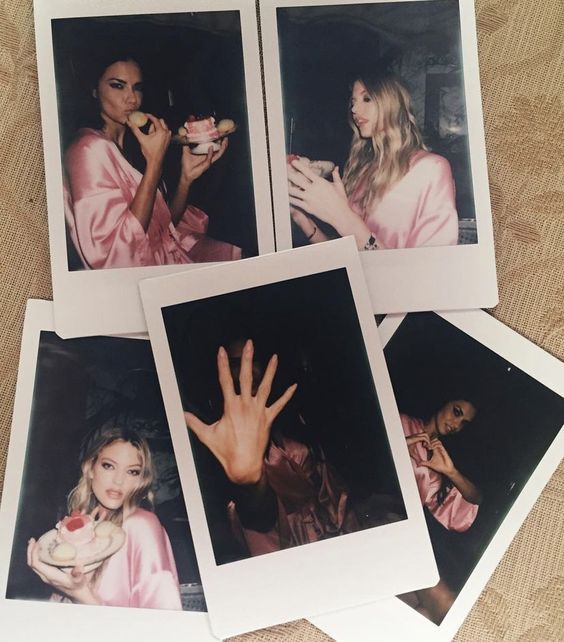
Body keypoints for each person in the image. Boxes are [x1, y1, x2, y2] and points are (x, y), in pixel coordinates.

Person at [184, 338, 359, 558]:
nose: (247, 371)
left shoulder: (295, 411)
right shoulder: (215, 433)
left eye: (254, 359)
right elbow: (257, 517)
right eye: (234, 363)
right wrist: (251, 483)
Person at [64, 54, 241, 269]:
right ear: (94, 89)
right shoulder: (88, 148)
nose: (132, 99)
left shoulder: (134, 143)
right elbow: (116, 256)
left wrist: (186, 179)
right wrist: (155, 163)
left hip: (168, 256)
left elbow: (164, 229)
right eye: (118, 86)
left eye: (137, 88)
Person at [288, 73, 459, 250]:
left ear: (392, 103)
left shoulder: (430, 168)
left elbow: (427, 270)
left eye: (366, 99)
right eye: (353, 101)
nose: (354, 109)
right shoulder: (362, 169)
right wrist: (301, 218)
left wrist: (342, 217)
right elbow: (349, 256)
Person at [27, 423, 182, 610]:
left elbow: (164, 625)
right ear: (91, 468)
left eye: (132, 471)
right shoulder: (87, 526)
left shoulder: (141, 525)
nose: (118, 480)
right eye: (109, 466)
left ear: (141, 480)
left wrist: (81, 595)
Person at [399, 398, 481, 623]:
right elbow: (364, 453)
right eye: (456, 412)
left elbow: (474, 500)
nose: (456, 423)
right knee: (444, 603)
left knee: (424, 614)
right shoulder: (401, 421)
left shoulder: (438, 456)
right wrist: (403, 443)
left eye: (464, 422)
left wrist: (451, 472)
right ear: (443, 401)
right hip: (375, 515)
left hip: (409, 536)